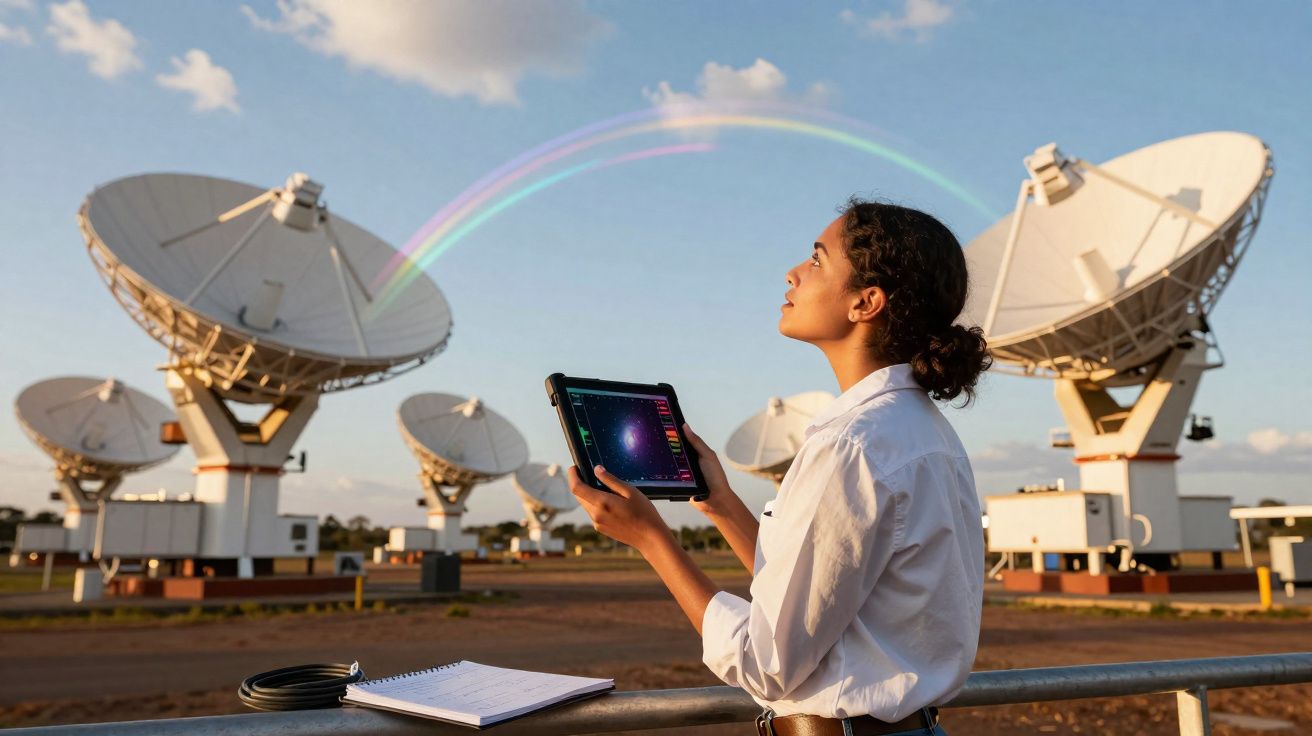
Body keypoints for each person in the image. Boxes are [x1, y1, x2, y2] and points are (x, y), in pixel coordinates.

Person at [568, 198, 990, 736]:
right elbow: (822, 595)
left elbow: (765, 663)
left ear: (867, 302)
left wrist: (653, 540)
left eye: (816, 260)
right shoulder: (924, 432)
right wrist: (721, 506)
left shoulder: (852, 445)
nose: (792, 273)